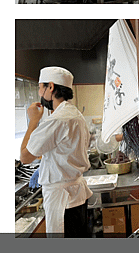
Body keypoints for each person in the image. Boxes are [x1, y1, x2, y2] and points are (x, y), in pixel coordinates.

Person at [20, 66, 93, 236]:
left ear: (50, 87)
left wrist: (33, 121)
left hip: (62, 201)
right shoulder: (75, 115)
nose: (39, 93)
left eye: (40, 87)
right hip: (76, 197)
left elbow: (24, 157)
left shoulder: (57, 120)